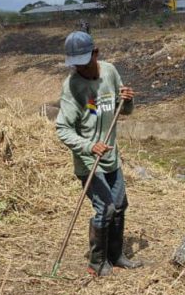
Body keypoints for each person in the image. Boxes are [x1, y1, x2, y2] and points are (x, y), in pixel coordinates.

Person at [55, 31, 142, 277]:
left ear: (96, 53)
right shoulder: (72, 86)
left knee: (119, 205)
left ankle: (116, 256)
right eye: (75, 63)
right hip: (89, 160)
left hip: (110, 156)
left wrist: (127, 100)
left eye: (84, 60)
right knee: (105, 208)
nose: (80, 68)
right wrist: (88, 146)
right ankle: (97, 262)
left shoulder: (110, 72)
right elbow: (62, 129)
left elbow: (123, 111)